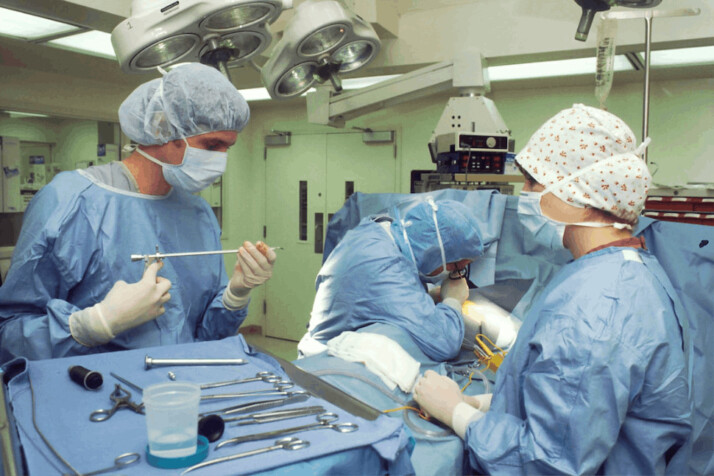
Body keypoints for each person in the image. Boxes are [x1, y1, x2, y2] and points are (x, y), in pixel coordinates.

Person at [413, 104, 692, 474]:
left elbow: (549, 462)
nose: (523, 195)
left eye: (533, 183)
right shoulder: (627, 269)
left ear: (580, 193)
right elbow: (578, 405)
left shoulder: (597, 306)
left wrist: (456, 413)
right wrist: (488, 405)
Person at [0, 63, 276, 363]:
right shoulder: (71, 201)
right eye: (211, 145)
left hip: (181, 387)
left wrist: (236, 292)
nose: (220, 160)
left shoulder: (197, 211)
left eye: (227, 148)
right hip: (91, 391)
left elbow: (201, 336)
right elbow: (11, 333)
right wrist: (96, 323)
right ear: (162, 128)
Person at [298, 197, 484, 362]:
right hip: (327, 366)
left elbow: (375, 297)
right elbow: (444, 343)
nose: (456, 273)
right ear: (436, 252)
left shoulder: (378, 233)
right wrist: (453, 300)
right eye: (457, 267)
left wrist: (426, 294)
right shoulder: (386, 266)